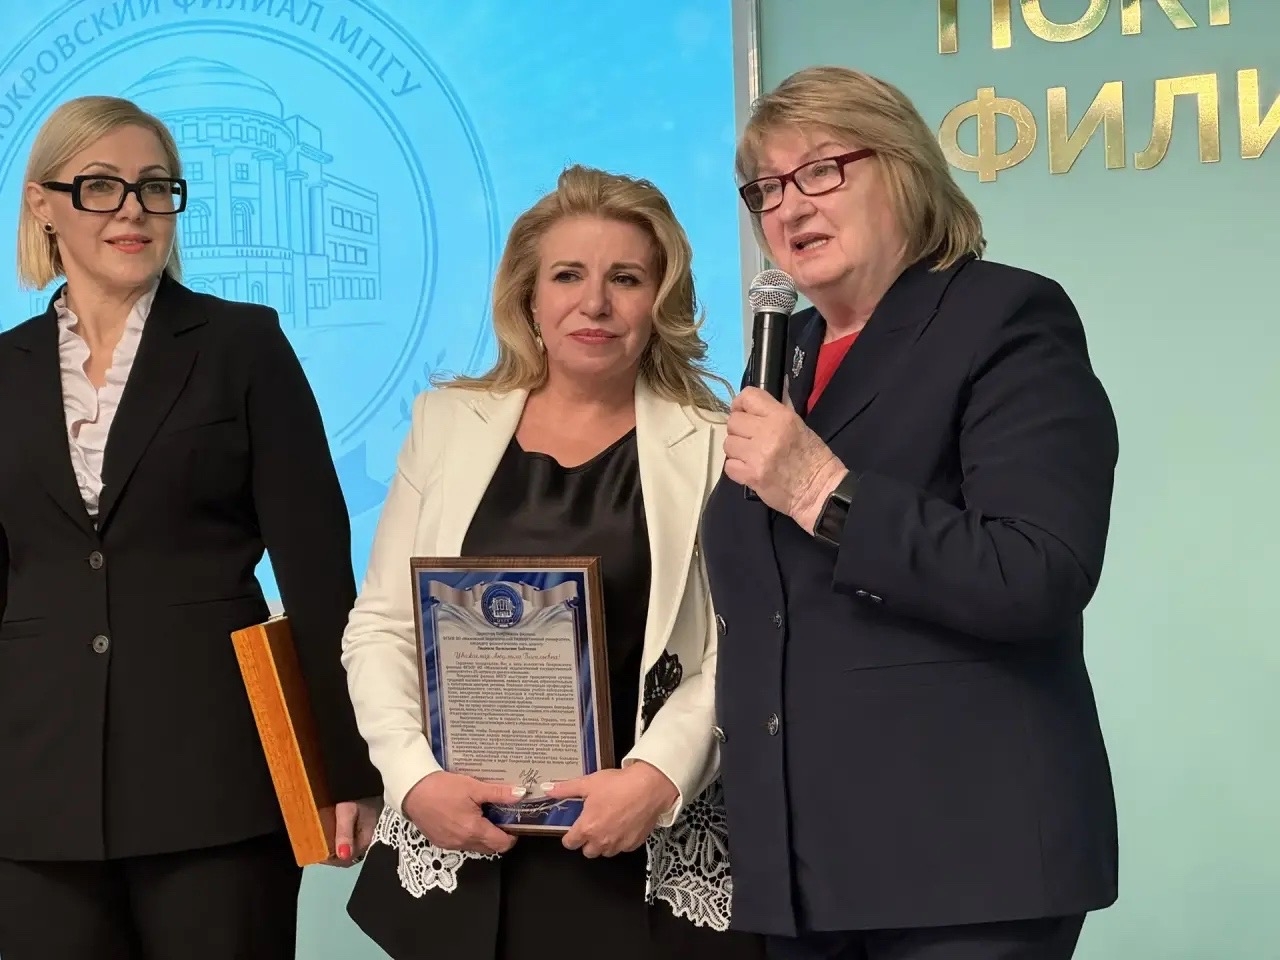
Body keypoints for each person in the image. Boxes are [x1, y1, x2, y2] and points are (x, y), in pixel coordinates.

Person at [702, 66, 1121, 960]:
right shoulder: (787, 352)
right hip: (801, 873)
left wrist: (824, 493)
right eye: (766, 188)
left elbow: (1036, 572)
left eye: (820, 170)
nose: (789, 206)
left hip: (962, 862)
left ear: (902, 169)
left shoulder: (1005, 318)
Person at [339, 164, 765, 960]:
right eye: (568, 275)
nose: (594, 303)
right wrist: (414, 779)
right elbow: (382, 627)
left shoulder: (717, 446)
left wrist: (657, 778)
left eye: (625, 279)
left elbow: (743, 645)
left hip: (633, 847)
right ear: (528, 298)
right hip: (464, 840)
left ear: (661, 301)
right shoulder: (444, 425)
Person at [0, 95, 382, 959]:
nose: (132, 209)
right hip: (32, 789)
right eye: (101, 186)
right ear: (42, 204)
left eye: (155, 186)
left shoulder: (244, 345)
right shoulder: (1, 371)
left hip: (216, 780)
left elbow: (317, 569)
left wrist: (347, 764)